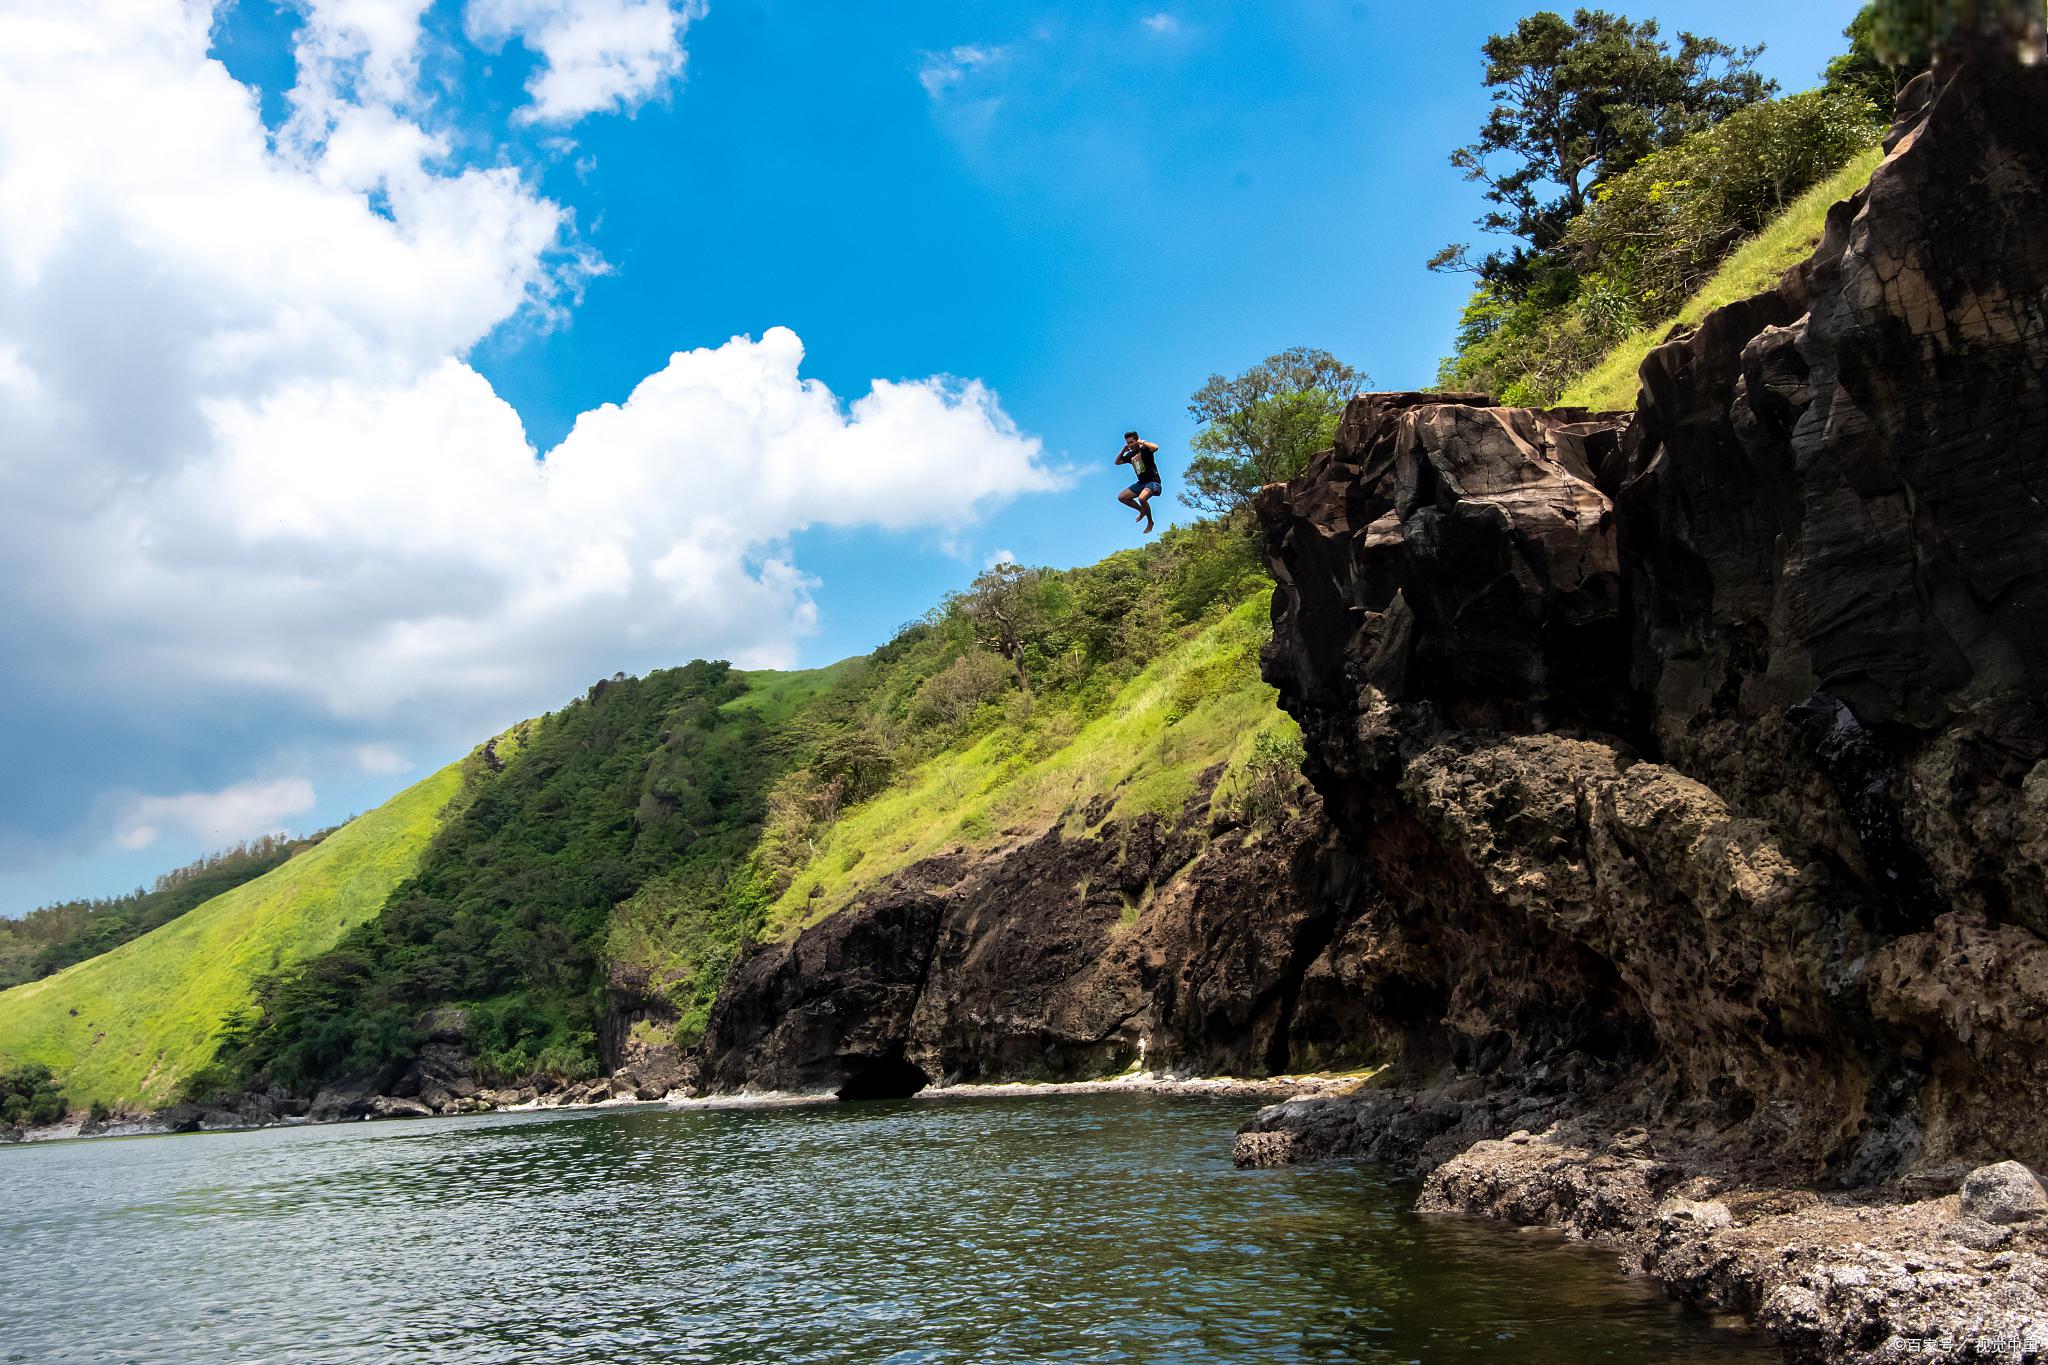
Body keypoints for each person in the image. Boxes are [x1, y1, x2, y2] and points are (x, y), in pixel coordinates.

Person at [1115, 431, 1162, 534]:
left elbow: (1155, 447)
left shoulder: (1145, 449)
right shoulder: (1130, 454)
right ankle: (1142, 510)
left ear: (1137, 440)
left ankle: (1150, 522)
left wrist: (1141, 441)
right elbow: (1117, 462)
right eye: (1128, 443)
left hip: (1153, 482)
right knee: (1122, 497)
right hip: (1141, 483)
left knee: (1142, 498)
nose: (1130, 445)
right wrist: (1123, 450)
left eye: (1131, 442)